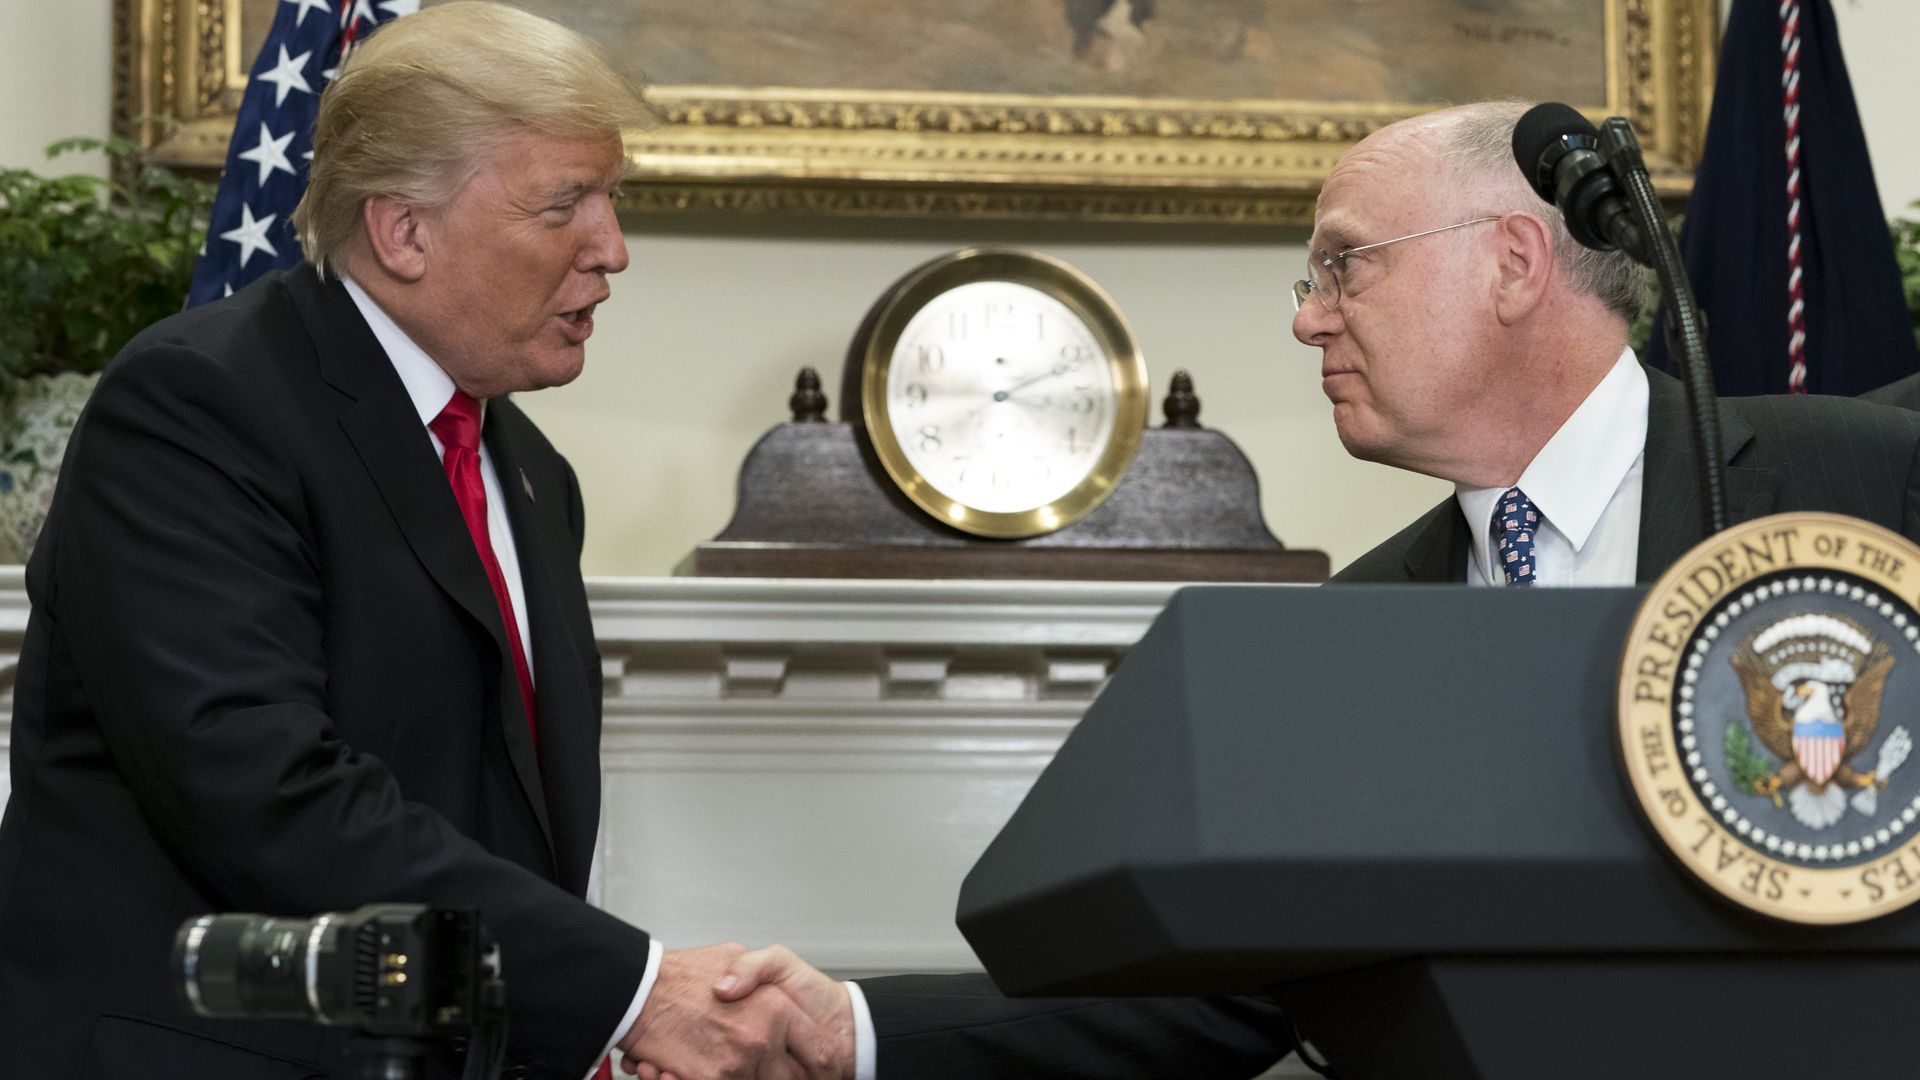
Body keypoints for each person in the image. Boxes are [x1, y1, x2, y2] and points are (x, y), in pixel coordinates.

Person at [0, 6, 848, 1079]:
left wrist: (569, 1022)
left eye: (612, 196)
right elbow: (262, 792)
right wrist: (628, 993)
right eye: (563, 205)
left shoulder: (533, 475)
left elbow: (503, 832)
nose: (613, 248)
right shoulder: (198, 407)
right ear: (403, 230)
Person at [1284, 101, 1920, 585]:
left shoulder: (1874, 480)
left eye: (1344, 264)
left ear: (1514, 264)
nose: (1309, 321)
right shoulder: (1361, 609)